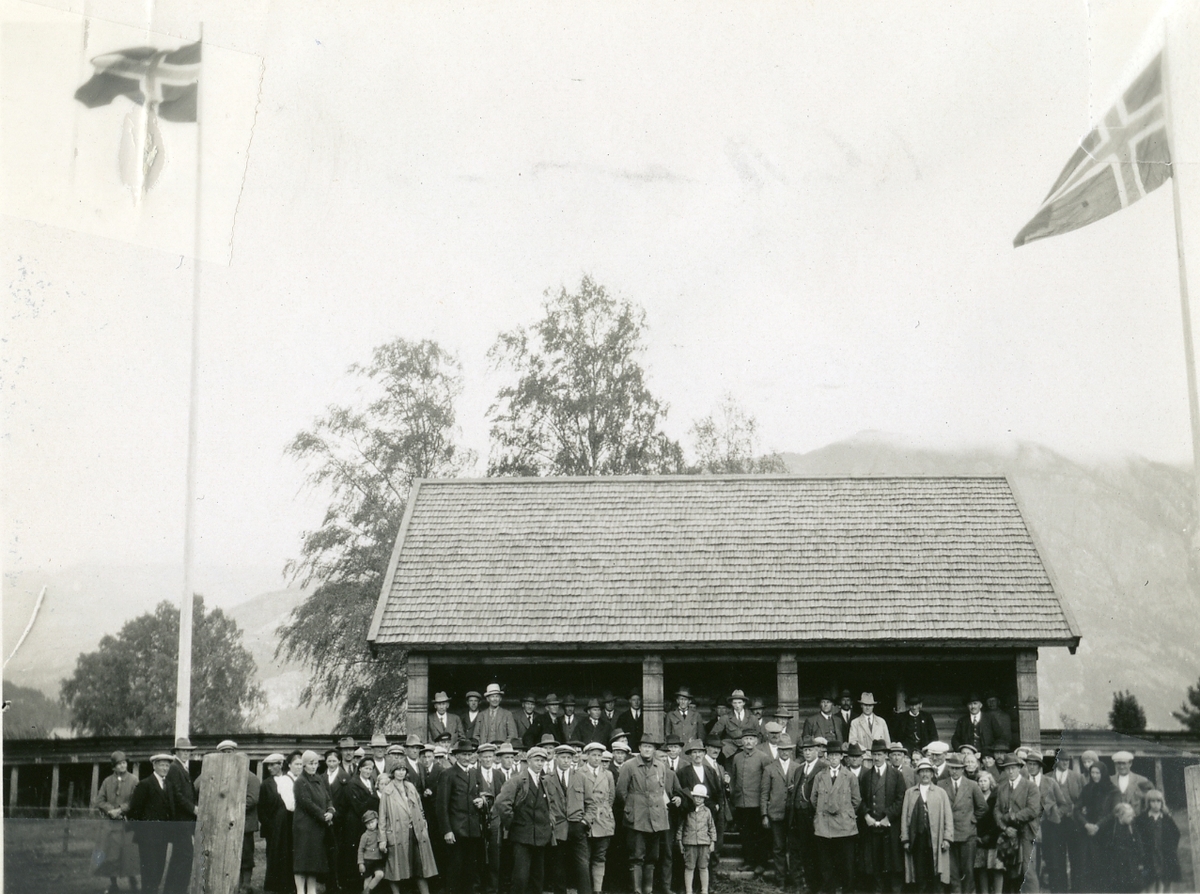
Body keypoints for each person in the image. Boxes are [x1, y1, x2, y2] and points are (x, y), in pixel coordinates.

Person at [616, 733, 683, 894]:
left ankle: (648, 890)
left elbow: (662, 790)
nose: (647, 749)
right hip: (636, 817)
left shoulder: (660, 766)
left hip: (656, 817)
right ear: (639, 748)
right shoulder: (629, 765)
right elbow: (620, 792)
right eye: (644, 746)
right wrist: (632, 807)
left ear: (654, 749)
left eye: (650, 747)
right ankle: (637, 890)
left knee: (652, 856)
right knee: (637, 856)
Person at [495, 745, 560, 894]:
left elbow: (550, 805)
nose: (539, 764)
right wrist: (513, 823)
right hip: (522, 837)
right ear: (528, 760)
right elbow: (502, 803)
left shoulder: (543, 782)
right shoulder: (518, 780)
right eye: (537, 760)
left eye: (542, 761)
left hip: (541, 837)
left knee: (538, 877)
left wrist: (550, 823)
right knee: (520, 878)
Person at [379, 760, 438, 894]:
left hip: (415, 832)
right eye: (398, 770)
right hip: (397, 832)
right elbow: (383, 817)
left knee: (420, 865)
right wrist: (382, 838)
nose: (401, 772)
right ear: (393, 772)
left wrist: (423, 824)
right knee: (396, 868)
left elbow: (420, 807)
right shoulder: (387, 791)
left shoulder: (410, 787)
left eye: (403, 769)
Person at [811, 741, 862, 893]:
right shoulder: (820, 776)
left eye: (836, 755)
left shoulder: (850, 776)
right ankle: (829, 889)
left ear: (841, 757)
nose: (833, 758)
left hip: (844, 826)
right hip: (824, 825)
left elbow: (856, 800)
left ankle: (847, 890)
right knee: (826, 862)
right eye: (830, 755)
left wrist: (845, 813)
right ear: (826, 757)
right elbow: (813, 799)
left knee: (846, 862)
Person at [437, 738, 485, 894]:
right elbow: (441, 805)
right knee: (455, 871)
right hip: (457, 831)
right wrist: (447, 830)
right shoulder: (448, 774)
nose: (467, 757)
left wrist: (481, 802)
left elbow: (480, 796)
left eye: (469, 754)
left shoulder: (473, 773)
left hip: (472, 831)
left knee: (471, 871)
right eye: (463, 754)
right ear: (456, 756)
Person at [900, 757, 954, 894]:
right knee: (920, 872)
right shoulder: (910, 793)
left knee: (936, 871)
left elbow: (948, 816)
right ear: (918, 774)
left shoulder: (940, 793)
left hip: (936, 839)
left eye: (928, 771)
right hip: (917, 839)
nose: (925, 775)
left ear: (932, 774)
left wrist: (947, 838)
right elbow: (904, 818)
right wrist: (905, 839)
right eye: (922, 771)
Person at [858, 739, 905, 894]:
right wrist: (866, 816)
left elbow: (901, 799)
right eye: (874, 754)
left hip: (890, 827)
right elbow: (860, 799)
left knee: (892, 862)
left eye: (879, 754)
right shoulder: (865, 776)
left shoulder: (896, 775)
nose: (876, 758)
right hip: (872, 827)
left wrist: (888, 817)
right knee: (875, 863)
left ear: (886, 755)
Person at [938, 752, 988, 894]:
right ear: (949, 769)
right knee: (952, 872)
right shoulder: (941, 784)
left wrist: (973, 819)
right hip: (948, 834)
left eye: (958, 768)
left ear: (963, 769)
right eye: (952, 768)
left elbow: (983, 807)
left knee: (968, 872)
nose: (954, 771)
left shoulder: (971, 785)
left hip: (968, 835)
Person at [93, 750, 140, 894]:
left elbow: (135, 800)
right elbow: (99, 800)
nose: (122, 766)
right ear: (113, 767)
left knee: (128, 852)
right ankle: (113, 883)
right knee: (111, 853)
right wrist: (110, 810)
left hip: (127, 823)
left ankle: (133, 880)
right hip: (111, 824)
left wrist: (120, 810)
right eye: (119, 764)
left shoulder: (134, 780)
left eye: (124, 763)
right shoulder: (107, 781)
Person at [992, 753, 1040, 893]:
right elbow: (996, 810)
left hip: (1026, 833)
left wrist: (1012, 817)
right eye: (1007, 769)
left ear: (1019, 768)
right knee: (1009, 872)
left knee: (1027, 871)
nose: (1011, 771)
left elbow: (1032, 810)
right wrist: (1004, 827)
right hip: (1007, 834)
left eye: (1013, 768)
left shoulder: (1030, 786)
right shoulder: (1002, 787)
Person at [128, 754, 175, 894]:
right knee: (149, 871)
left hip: (163, 836)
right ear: (154, 766)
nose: (165, 768)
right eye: (161, 765)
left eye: (167, 765)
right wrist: (142, 832)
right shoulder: (145, 784)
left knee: (159, 869)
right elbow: (134, 811)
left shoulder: (169, 785)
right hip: (147, 837)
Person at [759, 734, 801, 889]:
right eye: (782, 750)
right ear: (778, 750)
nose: (785, 752)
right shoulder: (769, 768)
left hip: (793, 815)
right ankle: (780, 880)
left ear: (791, 751)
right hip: (775, 814)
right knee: (778, 848)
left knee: (794, 848)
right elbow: (764, 793)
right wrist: (764, 814)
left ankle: (796, 880)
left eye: (788, 750)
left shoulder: (798, 767)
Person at [1026, 749, 1068, 893]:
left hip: (1050, 827)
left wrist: (1056, 813)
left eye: (1033, 764)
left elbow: (1064, 804)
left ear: (1039, 766)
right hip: (1030, 827)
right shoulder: (1023, 783)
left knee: (1053, 862)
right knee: (1033, 864)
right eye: (1028, 764)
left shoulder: (1050, 782)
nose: (1030, 767)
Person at [337, 757, 381, 894]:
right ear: (360, 768)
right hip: (355, 823)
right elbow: (359, 805)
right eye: (366, 768)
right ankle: (354, 886)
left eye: (371, 768)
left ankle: (367, 887)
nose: (368, 771)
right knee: (357, 851)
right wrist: (375, 799)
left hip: (367, 822)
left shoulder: (371, 782)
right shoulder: (353, 784)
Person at [293, 750, 334, 894]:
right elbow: (307, 803)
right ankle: (300, 891)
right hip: (304, 828)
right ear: (304, 765)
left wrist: (330, 811)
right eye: (311, 763)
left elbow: (328, 798)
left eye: (316, 763)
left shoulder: (319, 779)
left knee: (313, 863)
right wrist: (323, 815)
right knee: (302, 862)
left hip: (317, 828)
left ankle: (311, 891)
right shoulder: (300, 782)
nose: (313, 766)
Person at [730, 731, 769, 875]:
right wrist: (735, 798)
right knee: (745, 835)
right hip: (741, 803)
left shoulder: (763, 758)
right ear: (742, 741)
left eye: (751, 739)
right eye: (745, 739)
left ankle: (761, 863)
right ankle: (749, 862)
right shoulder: (737, 758)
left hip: (757, 804)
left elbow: (767, 781)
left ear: (756, 741)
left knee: (758, 835)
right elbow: (734, 779)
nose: (748, 742)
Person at [163, 737, 198, 894]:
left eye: (188, 751)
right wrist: (193, 808)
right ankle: (178, 889)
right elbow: (176, 795)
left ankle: (172, 890)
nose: (186, 753)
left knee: (179, 857)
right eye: (183, 751)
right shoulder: (175, 768)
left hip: (184, 821)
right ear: (176, 752)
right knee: (185, 857)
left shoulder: (181, 767)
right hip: (180, 821)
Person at [259, 753, 297, 894]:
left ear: (281, 764)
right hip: (273, 829)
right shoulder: (266, 784)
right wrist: (270, 825)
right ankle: (273, 886)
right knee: (274, 855)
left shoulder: (290, 780)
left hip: (288, 827)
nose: (270, 768)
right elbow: (261, 810)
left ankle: (289, 885)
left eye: (273, 764)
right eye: (268, 765)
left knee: (289, 854)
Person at [581, 741, 616, 894]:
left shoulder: (607, 774)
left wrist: (604, 812)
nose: (596, 759)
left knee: (600, 856)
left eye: (599, 756)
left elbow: (611, 797)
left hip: (603, 821)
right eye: (593, 755)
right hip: (585, 820)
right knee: (584, 857)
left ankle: (598, 889)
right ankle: (586, 889)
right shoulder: (579, 773)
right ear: (587, 756)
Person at [1048, 751, 1084, 894]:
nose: (1064, 763)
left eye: (1067, 761)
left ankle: (1076, 889)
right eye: (1062, 760)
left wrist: (1075, 809)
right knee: (1057, 858)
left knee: (1076, 857)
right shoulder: (1048, 777)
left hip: (1073, 822)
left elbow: (1082, 797)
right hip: (1054, 823)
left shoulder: (1076, 777)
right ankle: (1059, 890)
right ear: (1056, 760)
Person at [1079, 763, 1117, 894]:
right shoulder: (1087, 788)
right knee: (1090, 867)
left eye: (1097, 773)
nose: (1094, 776)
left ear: (1103, 773)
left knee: (1105, 867)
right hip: (1088, 832)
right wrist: (1086, 824)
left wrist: (1098, 826)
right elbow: (1077, 809)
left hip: (1106, 833)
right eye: (1092, 773)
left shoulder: (1113, 790)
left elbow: (1113, 812)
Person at [1133, 790, 1181, 893]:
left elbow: (1176, 834)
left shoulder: (1166, 819)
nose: (1156, 804)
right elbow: (1137, 837)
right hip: (1148, 856)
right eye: (1152, 801)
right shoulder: (1141, 820)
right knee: (1150, 884)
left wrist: (1170, 849)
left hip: (1164, 856)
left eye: (1158, 801)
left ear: (1162, 803)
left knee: (1166, 883)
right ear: (1148, 803)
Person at [1096, 802, 1145, 893]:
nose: (1131, 818)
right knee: (1117, 884)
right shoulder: (1113, 827)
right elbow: (1106, 841)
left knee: (1132, 884)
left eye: (1132, 816)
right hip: (1116, 861)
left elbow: (1139, 844)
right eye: (1128, 816)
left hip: (1130, 861)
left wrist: (1140, 861)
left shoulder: (1132, 827)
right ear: (1120, 816)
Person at [676, 784, 716, 894]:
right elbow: (681, 827)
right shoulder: (687, 810)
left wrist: (712, 842)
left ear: (704, 799)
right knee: (689, 867)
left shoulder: (707, 811)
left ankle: (704, 890)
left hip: (704, 843)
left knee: (703, 867)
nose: (698, 799)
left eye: (701, 797)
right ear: (692, 797)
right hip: (689, 843)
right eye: (696, 797)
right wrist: (680, 842)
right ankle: (689, 890)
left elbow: (712, 827)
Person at [974, 771, 1003, 894]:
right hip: (979, 837)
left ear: (990, 782)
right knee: (981, 868)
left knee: (997, 868)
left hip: (994, 836)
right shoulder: (976, 797)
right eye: (980, 781)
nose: (983, 784)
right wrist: (977, 835)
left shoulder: (996, 797)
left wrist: (991, 835)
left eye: (985, 781)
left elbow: (998, 818)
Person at [1110, 750, 1152, 816]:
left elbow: (1148, 803)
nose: (1121, 767)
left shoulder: (1142, 780)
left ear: (1130, 763)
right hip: (1115, 821)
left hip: (1136, 820)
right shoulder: (1110, 780)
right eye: (1119, 763)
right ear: (1115, 764)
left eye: (1124, 763)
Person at [358, 810, 387, 893]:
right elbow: (360, 850)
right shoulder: (365, 836)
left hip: (378, 860)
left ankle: (367, 890)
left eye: (372, 822)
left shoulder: (380, 832)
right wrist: (361, 863)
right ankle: (366, 891)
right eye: (367, 823)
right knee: (367, 878)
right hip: (368, 861)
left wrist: (384, 850)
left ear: (377, 820)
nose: (370, 825)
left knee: (380, 875)